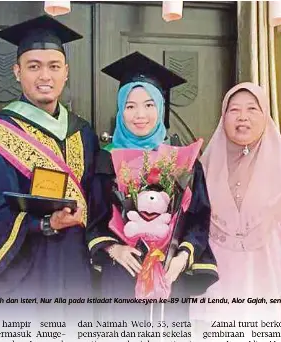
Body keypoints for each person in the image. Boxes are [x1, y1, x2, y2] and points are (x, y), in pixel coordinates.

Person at [0, 15, 100, 324]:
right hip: (25, 274)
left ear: (66, 72)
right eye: (33, 66)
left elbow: (98, 202)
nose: (45, 75)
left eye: (54, 66)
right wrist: (44, 223)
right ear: (17, 72)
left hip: (76, 270)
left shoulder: (83, 133)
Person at [87, 52, 218, 325]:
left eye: (149, 105)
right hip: (121, 275)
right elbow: (95, 217)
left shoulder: (182, 160)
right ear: (120, 110)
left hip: (169, 274)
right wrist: (114, 250)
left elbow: (198, 216)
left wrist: (183, 254)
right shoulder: (106, 159)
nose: (140, 115)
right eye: (130, 106)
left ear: (160, 108)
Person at [190, 82, 281, 324]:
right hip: (213, 289)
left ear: (265, 116)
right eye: (234, 110)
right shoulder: (203, 168)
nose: (242, 118)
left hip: (266, 286)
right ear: (223, 116)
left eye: (252, 109)